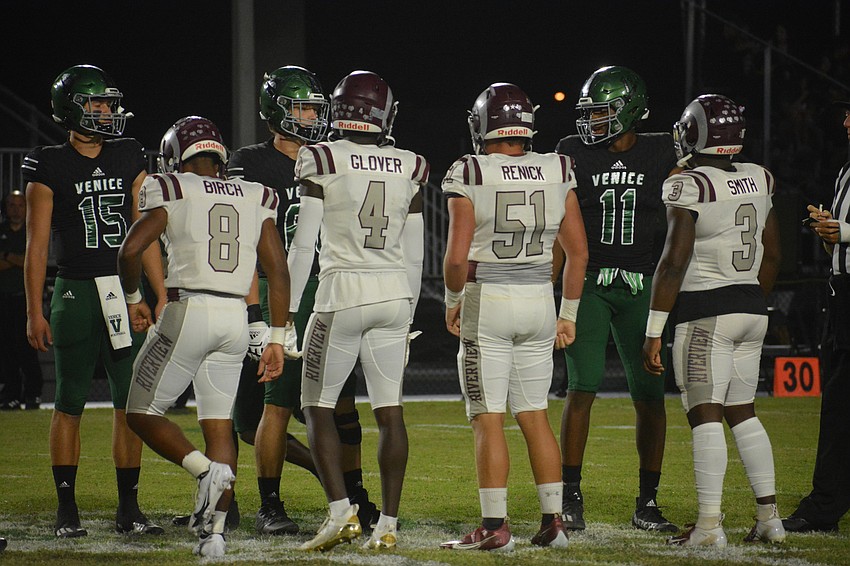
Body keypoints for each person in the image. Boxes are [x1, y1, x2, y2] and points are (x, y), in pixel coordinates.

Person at [118, 116, 291, 558]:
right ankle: (214, 534)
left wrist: (136, 295)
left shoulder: (171, 187)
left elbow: (132, 249)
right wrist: (275, 334)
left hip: (189, 308)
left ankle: (202, 473)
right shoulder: (256, 194)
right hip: (235, 317)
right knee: (218, 425)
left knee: (139, 411)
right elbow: (277, 268)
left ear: (178, 157)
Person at [227, 65, 378, 536]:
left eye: (316, 107)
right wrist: (254, 309)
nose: (312, 116)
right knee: (268, 407)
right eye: (302, 107)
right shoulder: (248, 162)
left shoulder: (335, 156)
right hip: (281, 291)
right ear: (277, 111)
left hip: (330, 285)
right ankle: (271, 501)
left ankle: (353, 492)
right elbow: (243, 240)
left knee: (342, 402)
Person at [440, 83, 588, 552]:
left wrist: (451, 299)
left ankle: (494, 527)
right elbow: (579, 253)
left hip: (490, 298)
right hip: (539, 300)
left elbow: (456, 257)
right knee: (535, 414)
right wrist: (569, 314)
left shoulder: (469, 170)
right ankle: (553, 523)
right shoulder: (556, 166)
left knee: (488, 417)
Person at [22, 65, 165, 538]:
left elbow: (144, 235)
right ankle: (68, 510)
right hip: (75, 290)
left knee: (130, 403)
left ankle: (129, 508)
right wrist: (33, 310)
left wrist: (157, 294)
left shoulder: (128, 154)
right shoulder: (47, 162)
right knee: (69, 402)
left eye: (107, 102)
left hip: (123, 292)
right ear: (72, 110)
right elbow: (37, 246)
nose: (106, 110)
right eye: (96, 103)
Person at [287, 70, 426, 552]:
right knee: (390, 411)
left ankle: (341, 513)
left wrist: (284, 315)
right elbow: (415, 253)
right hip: (392, 294)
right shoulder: (410, 163)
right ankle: (387, 524)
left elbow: (303, 247)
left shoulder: (322, 157)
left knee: (316, 407)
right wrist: (407, 315)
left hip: (341, 293)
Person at [642, 94, 784, 547]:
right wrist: (748, 298)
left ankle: (708, 526)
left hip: (707, 310)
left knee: (705, 417)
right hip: (750, 308)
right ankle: (770, 518)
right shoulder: (760, 177)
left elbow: (672, 263)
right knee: (744, 414)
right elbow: (773, 253)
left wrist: (652, 332)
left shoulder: (689, 184)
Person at [553, 65, 679, 532]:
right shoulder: (571, 152)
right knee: (580, 388)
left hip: (642, 284)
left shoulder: (661, 149)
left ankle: (647, 502)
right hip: (588, 285)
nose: (592, 122)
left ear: (629, 110)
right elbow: (558, 233)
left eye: (603, 112)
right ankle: (570, 496)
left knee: (649, 396)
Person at [782, 101, 850, 533]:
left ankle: (824, 504)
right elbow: (839, 249)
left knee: (842, 406)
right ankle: (826, 502)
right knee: (839, 405)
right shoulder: (846, 171)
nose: (844, 121)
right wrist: (830, 231)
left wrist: (843, 231)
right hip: (842, 293)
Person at [0, 190, 43, 410]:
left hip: (24, 300)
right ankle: (11, 394)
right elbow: (25, 260)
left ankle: (33, 394)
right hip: (3, 299)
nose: (16, 209)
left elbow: (34, 258)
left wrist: (7, 256)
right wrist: (19, 260)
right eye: (12, 205)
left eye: (20, 205)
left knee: (27, 347)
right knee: (6, 350)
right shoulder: (2, 231)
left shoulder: (33, 229)